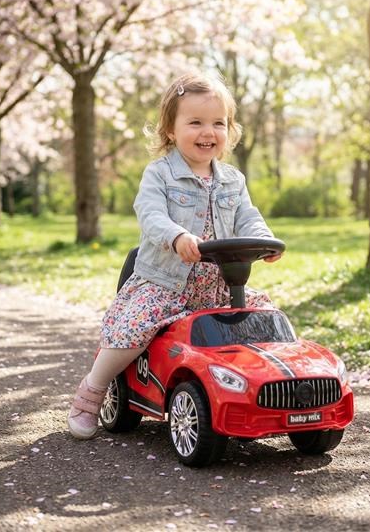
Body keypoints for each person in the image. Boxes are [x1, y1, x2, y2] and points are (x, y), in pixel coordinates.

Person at [68, 71, 281, 439]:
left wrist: (263, 240)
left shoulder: (233, 180)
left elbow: (248, 216)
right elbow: (150, 215)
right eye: (195, 122)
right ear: (170, 129)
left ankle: (260, 393)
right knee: (133, 332)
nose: (208, 132)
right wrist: (177, 236)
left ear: (229, 129)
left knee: (268, 321)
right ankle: (93, 391)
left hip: (219, 289)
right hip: (166, 285)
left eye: (218, 123)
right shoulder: (160, 174)